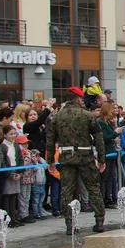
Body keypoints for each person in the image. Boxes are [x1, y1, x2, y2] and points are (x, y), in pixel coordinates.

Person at [46, 87, 107, 234]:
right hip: (85, 157)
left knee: (67, 191)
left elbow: (50, 140)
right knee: (93, 188)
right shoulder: (87, 115)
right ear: (79, 99)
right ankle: (99, 221)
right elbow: (99, 138)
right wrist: (101, 158)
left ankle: (70, 225)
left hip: (66, 158)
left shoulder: (58, 117)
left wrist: (50, 160)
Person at [0, 125, 24, 226]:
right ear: (5, 135)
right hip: (7, 173)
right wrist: (9, 175)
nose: (13, 136)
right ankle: (7, 218)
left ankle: (13, 217)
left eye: (14, 134)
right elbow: (3, 162)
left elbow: (20, 160)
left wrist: (20, 173)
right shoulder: (2, 146)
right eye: (11, 134)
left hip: (16, 171)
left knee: (14, 196)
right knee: (7, 196)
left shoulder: (16, 146)